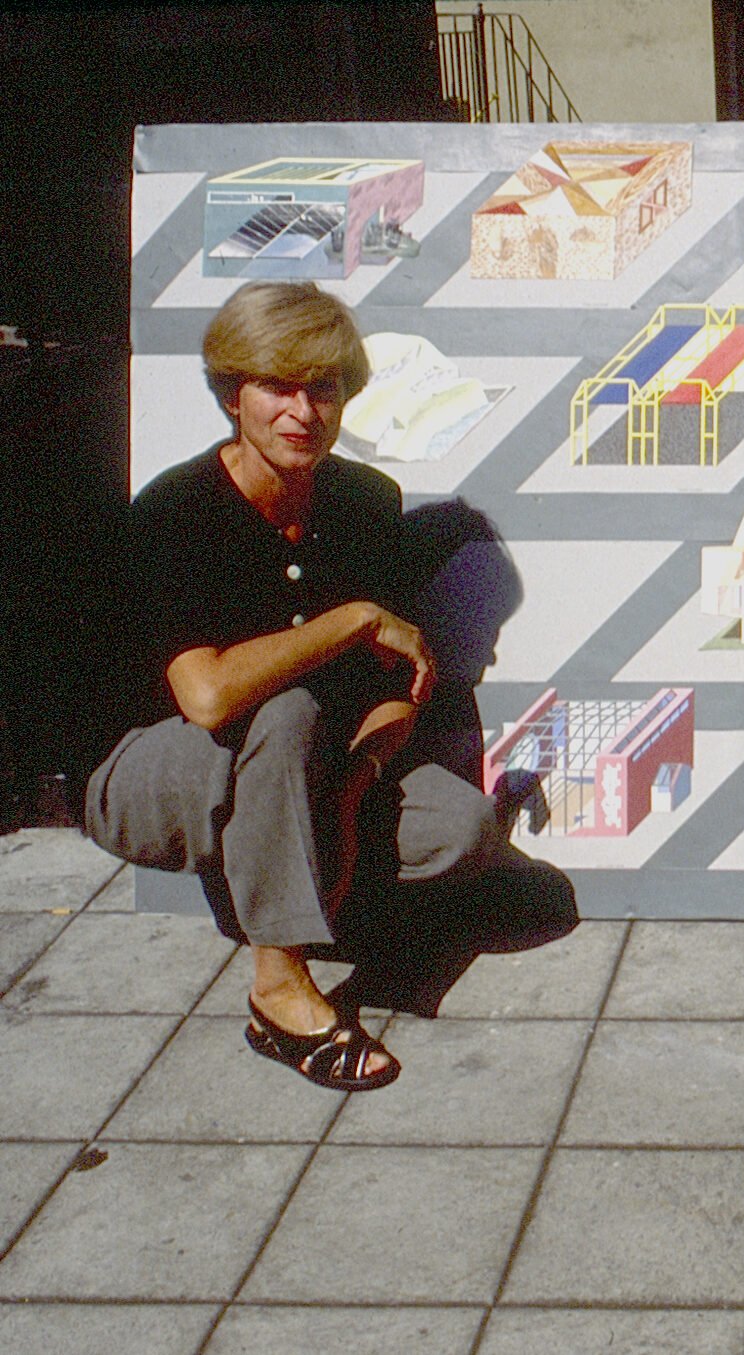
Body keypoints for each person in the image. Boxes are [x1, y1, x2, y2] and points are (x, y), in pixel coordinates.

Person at [84, 280, 570, 1091]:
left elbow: (395, 684)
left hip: (303, 763)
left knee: (462, 829)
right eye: (278, 386)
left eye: (325, 386)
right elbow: (207, 697)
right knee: (288, 707)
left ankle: (281, 861)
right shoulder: (177, 509)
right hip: (147, 772)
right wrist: (348, 619)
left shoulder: (362, 501)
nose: (303, 411)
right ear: (231, 395)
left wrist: (353, 789)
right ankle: (279, 985)